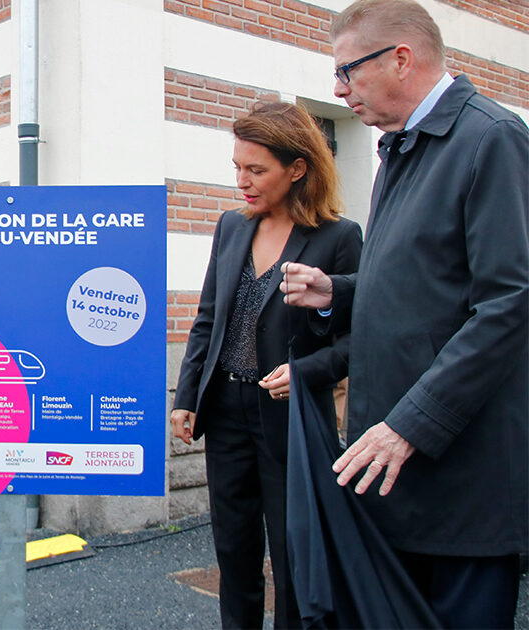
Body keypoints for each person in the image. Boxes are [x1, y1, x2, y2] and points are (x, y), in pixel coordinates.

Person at [280, 1, 528, 627]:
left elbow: (509, 304)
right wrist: (336, 290)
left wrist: (409, 425)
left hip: (459, 483)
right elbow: (424, 281)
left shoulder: (490, 139)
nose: (338, 90)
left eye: (348, 72)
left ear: (401, 58)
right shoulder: (402, 147)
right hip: (397, 473)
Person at [171, 102, 362, 629]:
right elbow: (209, 319)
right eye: (237, 167)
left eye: (256, 170)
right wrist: (187, 396)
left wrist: (307, 372)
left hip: (292, 418)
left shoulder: (339, 237)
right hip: (226, 412)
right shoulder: (233, 227)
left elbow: (359, 340)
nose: (241, 182)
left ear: (297, 168)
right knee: (234, 554)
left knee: (295, 555)